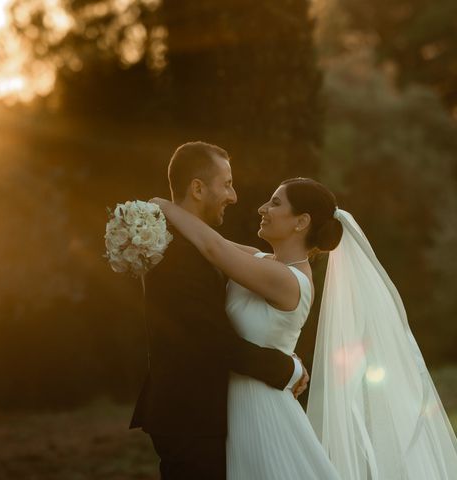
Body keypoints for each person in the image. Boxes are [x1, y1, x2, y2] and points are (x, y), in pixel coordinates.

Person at [151, 174, 457, 478]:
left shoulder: (287, 280)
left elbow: (212, 248)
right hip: (240, 407)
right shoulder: (263, 262)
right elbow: (205, 237)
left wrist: (159, 204)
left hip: (262, 413)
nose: (261, 208)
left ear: (301, 222)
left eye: (275, 203)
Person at [130, 141, 309, 480]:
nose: (234, 195)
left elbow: (221, 250)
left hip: (202, 414)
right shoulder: (180, 256)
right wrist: (286, 368)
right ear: (198, 188)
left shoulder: (197, 247)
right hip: (190, 416)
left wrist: (164, 207)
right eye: (226, 184)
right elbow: (209, 342)